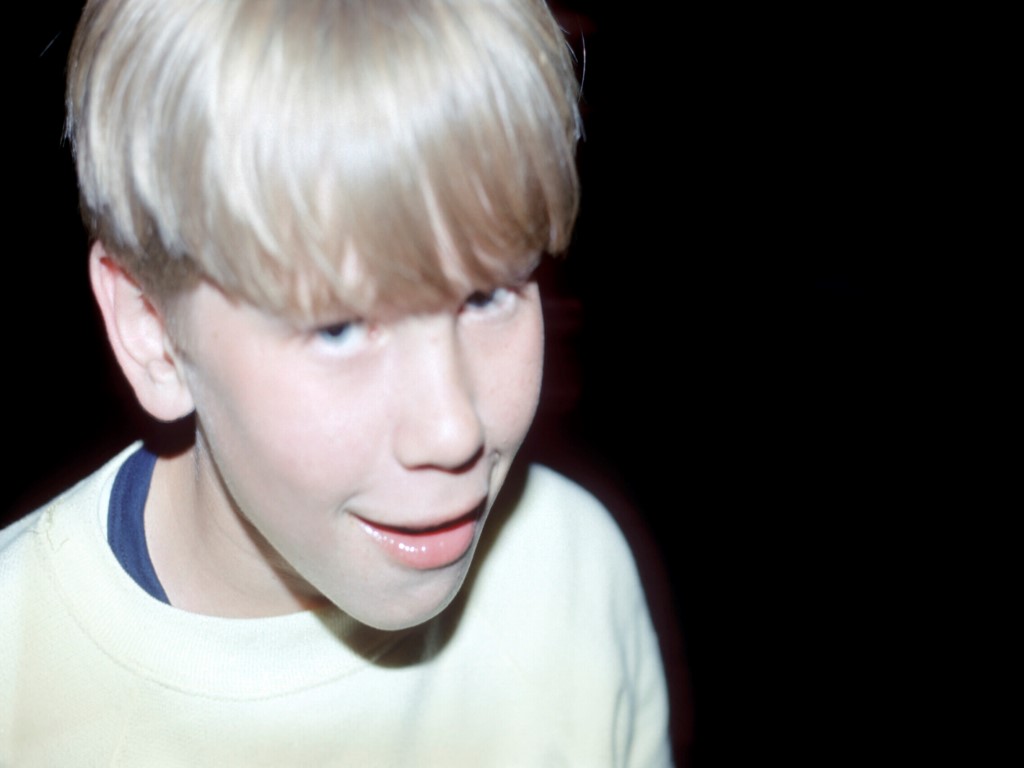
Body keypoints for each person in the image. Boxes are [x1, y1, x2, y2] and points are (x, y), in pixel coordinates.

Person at [0, 0, 673, 764]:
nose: (452, 431)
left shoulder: (576, 572)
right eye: (339, 329)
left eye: (487, 295)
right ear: (152, 330)